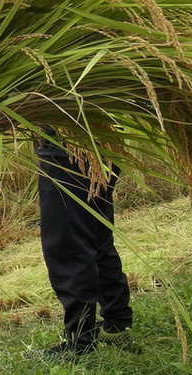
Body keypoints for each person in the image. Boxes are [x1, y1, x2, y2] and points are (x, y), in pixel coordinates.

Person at [35, 135, 135, 358]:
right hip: (102, 145)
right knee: (98, 238)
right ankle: (117, 325)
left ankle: (80, 343)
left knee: (67, 246)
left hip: (66, 152)